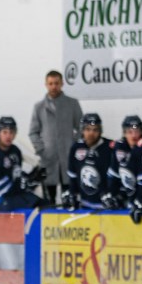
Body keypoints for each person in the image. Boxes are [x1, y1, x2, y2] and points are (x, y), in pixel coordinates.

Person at [29, 70, 84, 205]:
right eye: (51, 83)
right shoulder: (39, 107)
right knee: (49, 201)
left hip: (68, 159)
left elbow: (83, 127)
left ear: (62, 84)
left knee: (70, 198)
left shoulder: (72, 104)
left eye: (56, 83)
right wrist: (42, 150)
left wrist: (74, 146)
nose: (54, 86)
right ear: (46, 85)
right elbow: (33, 132)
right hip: (48, 160)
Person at [107, 115, 142, 224]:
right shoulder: (119, 147)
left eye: (136, 131)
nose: (133, 135)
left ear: (141, 132)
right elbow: (113, 176)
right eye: (129, 132)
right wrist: (113, 195)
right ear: (124, 133)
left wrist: (141, 202)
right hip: (131, 205)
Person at [0, 116, 46, 211]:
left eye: (11, 132)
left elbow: (16, 177)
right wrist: (25, 184)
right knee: (37, 206)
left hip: (11, 197)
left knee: (43, 203)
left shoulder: (16, 151)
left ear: (15, 134)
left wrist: (32, 178)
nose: (8, 136)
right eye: (5, 132)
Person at [66, 112, 113, 211]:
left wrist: (114, 195)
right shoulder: (76, 147)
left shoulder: (110, 147)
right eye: (88, 129)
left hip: (106, 207)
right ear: (82, 130)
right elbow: (72, 176)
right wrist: (72, 193)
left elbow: (116, 178)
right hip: (84, 205)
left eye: (95, 130)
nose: (91, 133)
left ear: (100, 131)